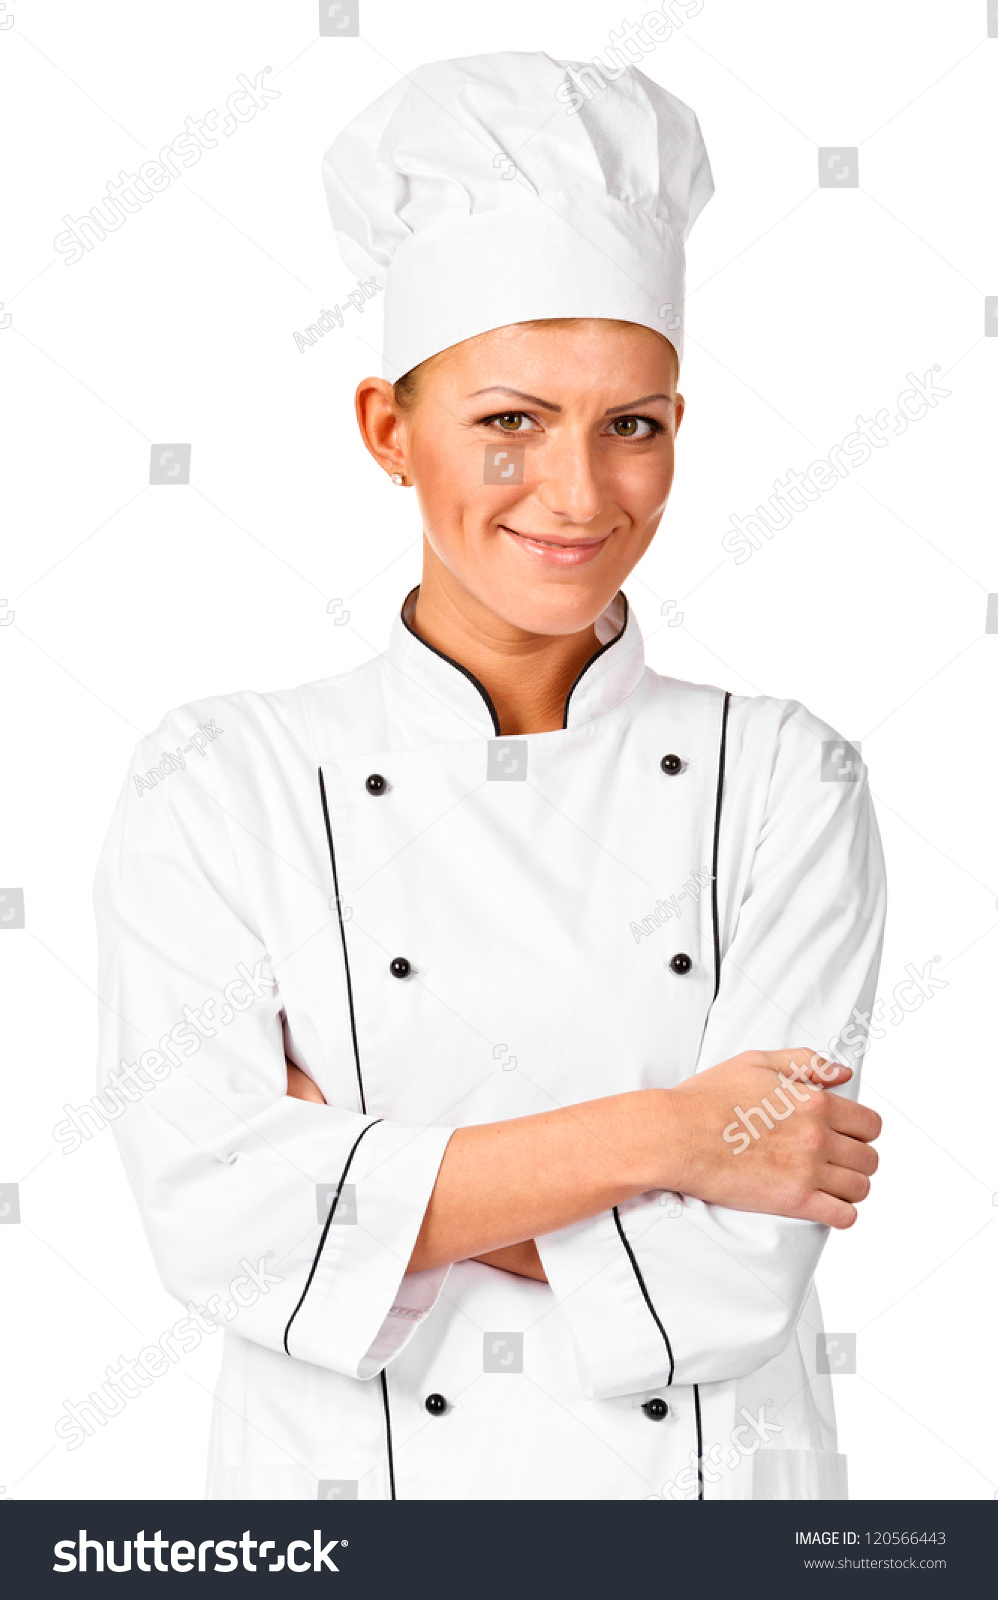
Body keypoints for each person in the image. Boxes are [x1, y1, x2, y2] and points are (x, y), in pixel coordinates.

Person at [94, 51, 886, 1501]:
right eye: (508, 421)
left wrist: (358, 1176)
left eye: (627, 423)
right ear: (389, 434)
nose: (579, 494)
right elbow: (219, 1220)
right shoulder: (223, 779)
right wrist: (668, 1134)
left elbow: (734, 1267)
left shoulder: (785, 777)